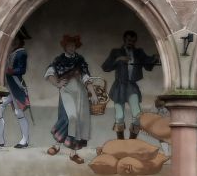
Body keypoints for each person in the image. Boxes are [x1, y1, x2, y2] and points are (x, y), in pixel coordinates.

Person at [101, 29, 159, 140]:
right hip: (119, 86)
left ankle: (132, 141)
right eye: (128, 40)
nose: (130, 43)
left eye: (133, 41)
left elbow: (148, 65)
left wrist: (154, 58)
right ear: (124, 39)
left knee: (137, 115)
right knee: (119, 116)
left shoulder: (139, 52)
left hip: (131, 86)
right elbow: (105, 67)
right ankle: (121, 142)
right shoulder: (116, 52)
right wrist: (118, 59)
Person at [45, 34, 93, 164]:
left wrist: (93, 93)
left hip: (80, 94)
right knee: (69, 118)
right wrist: (57, 84)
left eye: (73, 45)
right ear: (65, 46)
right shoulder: (59, 60)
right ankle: (56, 146)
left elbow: (86, 77)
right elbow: (50, 73)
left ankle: (73, 153)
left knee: (77, 121)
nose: (71, 47)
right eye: (69, 45)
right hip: (66, 92)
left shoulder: (80, 60)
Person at [0, 30, 32, 148]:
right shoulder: (11, 53)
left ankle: (25, 140)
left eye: (16, 39)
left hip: (17, 86)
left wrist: (10, 71)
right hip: (8, 87)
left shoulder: (21, 53)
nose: (14, 42)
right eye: (13, 39)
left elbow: (22, 70)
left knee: (19, 113)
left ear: (20, 41)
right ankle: (0, 140)